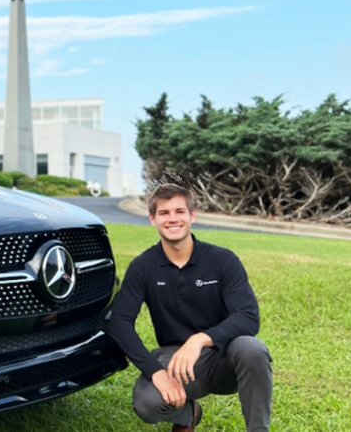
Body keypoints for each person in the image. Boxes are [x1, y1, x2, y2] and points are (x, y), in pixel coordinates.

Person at [107, 183, 272, 431]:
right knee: (147, 403)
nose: (173, 219)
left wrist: (199, 340)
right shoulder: (144, 266)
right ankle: (187, 415)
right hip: (174, 363)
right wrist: (155, 372)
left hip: (223, 358)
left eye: (179, 211)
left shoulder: (222, 260)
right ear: (152, 219)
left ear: (192, 215)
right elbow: (118, 321)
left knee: (252, 349)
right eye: (164, 213)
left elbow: (248, 316)